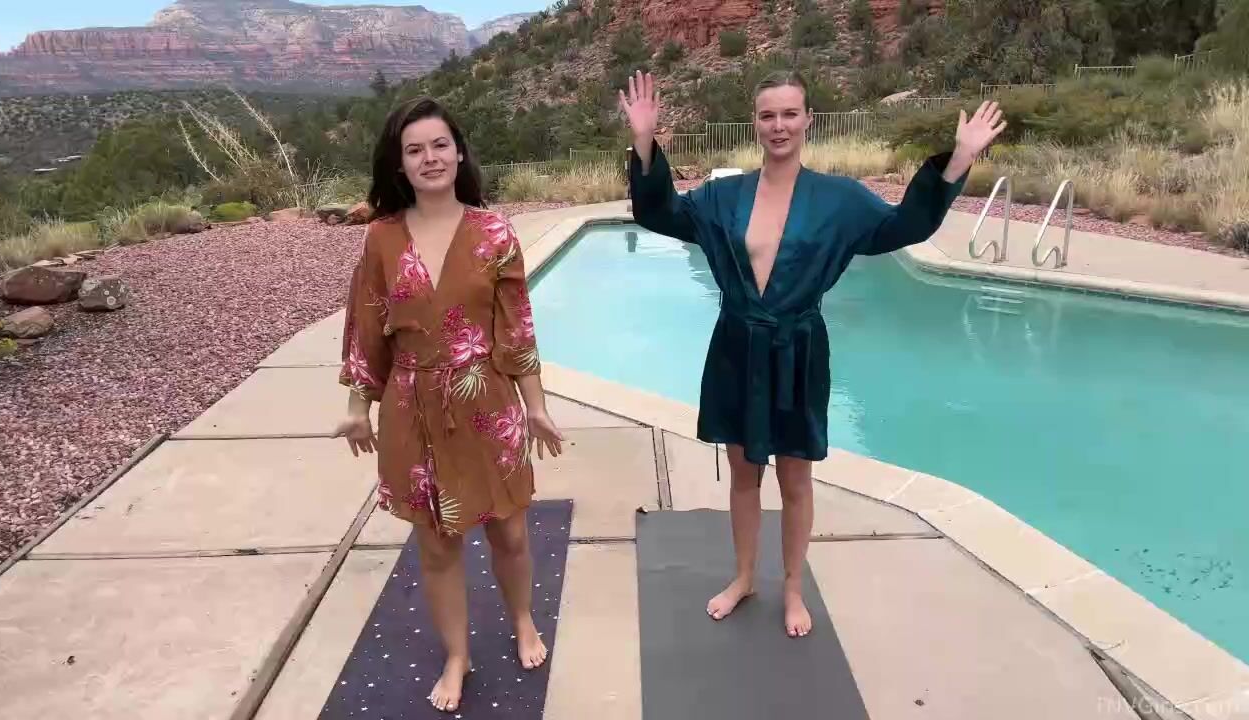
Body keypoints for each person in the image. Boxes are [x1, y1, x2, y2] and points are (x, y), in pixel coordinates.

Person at [619, 70, 1005, 638]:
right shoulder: (724, 197)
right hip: (738, 347)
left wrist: (959, 160)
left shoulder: (838, 200)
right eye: (767, 115)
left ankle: (794, 588)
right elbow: (660, 212)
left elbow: (903, 226)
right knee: (744, 474)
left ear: (808, 121)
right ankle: (744, 577)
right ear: (755, 123)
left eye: (789, 114)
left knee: (795, 478)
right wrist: (645, 142)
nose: (779, 125)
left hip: (797, 349)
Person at [334, 96, 565, 713]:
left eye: (439, 145)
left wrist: (536, 405)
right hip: (412, 406)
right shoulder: (381, 238)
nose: (429, 158)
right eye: (414, 150)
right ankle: (457, 656)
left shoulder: (494, 232)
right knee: (437, 545)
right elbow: (367, 326)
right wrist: (358, 406)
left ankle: (523, 619)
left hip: (486, 398)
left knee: (509, 530)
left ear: (459, 153)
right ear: (399, 164)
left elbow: (517, 328)